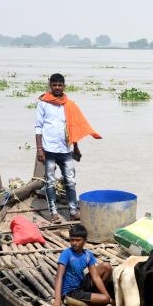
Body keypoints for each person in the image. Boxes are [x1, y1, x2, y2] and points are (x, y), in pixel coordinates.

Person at [35, 73, 101, 224]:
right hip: (49, 149)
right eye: (54, 85)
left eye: (60, 85)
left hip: (66, 149)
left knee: (70, 181)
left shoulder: (69, 104)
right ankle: (53, 211)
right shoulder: (42, 104)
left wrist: (76, 147)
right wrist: (39, 149)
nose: (57, 87)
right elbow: (38, 128)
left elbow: (73, 127)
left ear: (64, 86)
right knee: (50, 182)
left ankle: (73, 210)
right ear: (50, 85)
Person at [52, 224, 114, 306]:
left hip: (81, 284)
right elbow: (59, 277)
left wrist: (109, 297)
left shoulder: (88, 255)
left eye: (78, 240)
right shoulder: (66, 253)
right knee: (104, 299)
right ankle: (97, 300)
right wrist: (57, 300)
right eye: (72, 240)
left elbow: (95, 277)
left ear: (85, 241)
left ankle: (97, 295)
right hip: (71, 291)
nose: (74, 243)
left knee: (106, 266)